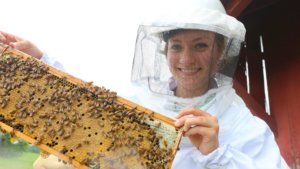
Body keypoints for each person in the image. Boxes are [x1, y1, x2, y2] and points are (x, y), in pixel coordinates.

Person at [0, 0, 290, 168]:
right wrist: (40, 61)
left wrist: (216, 154)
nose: (186, 59)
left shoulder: (244, 126)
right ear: (165, 52)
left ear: (219, 52)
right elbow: (84, 111)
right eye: (176, 46)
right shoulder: (142, 102)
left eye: (200, 45)